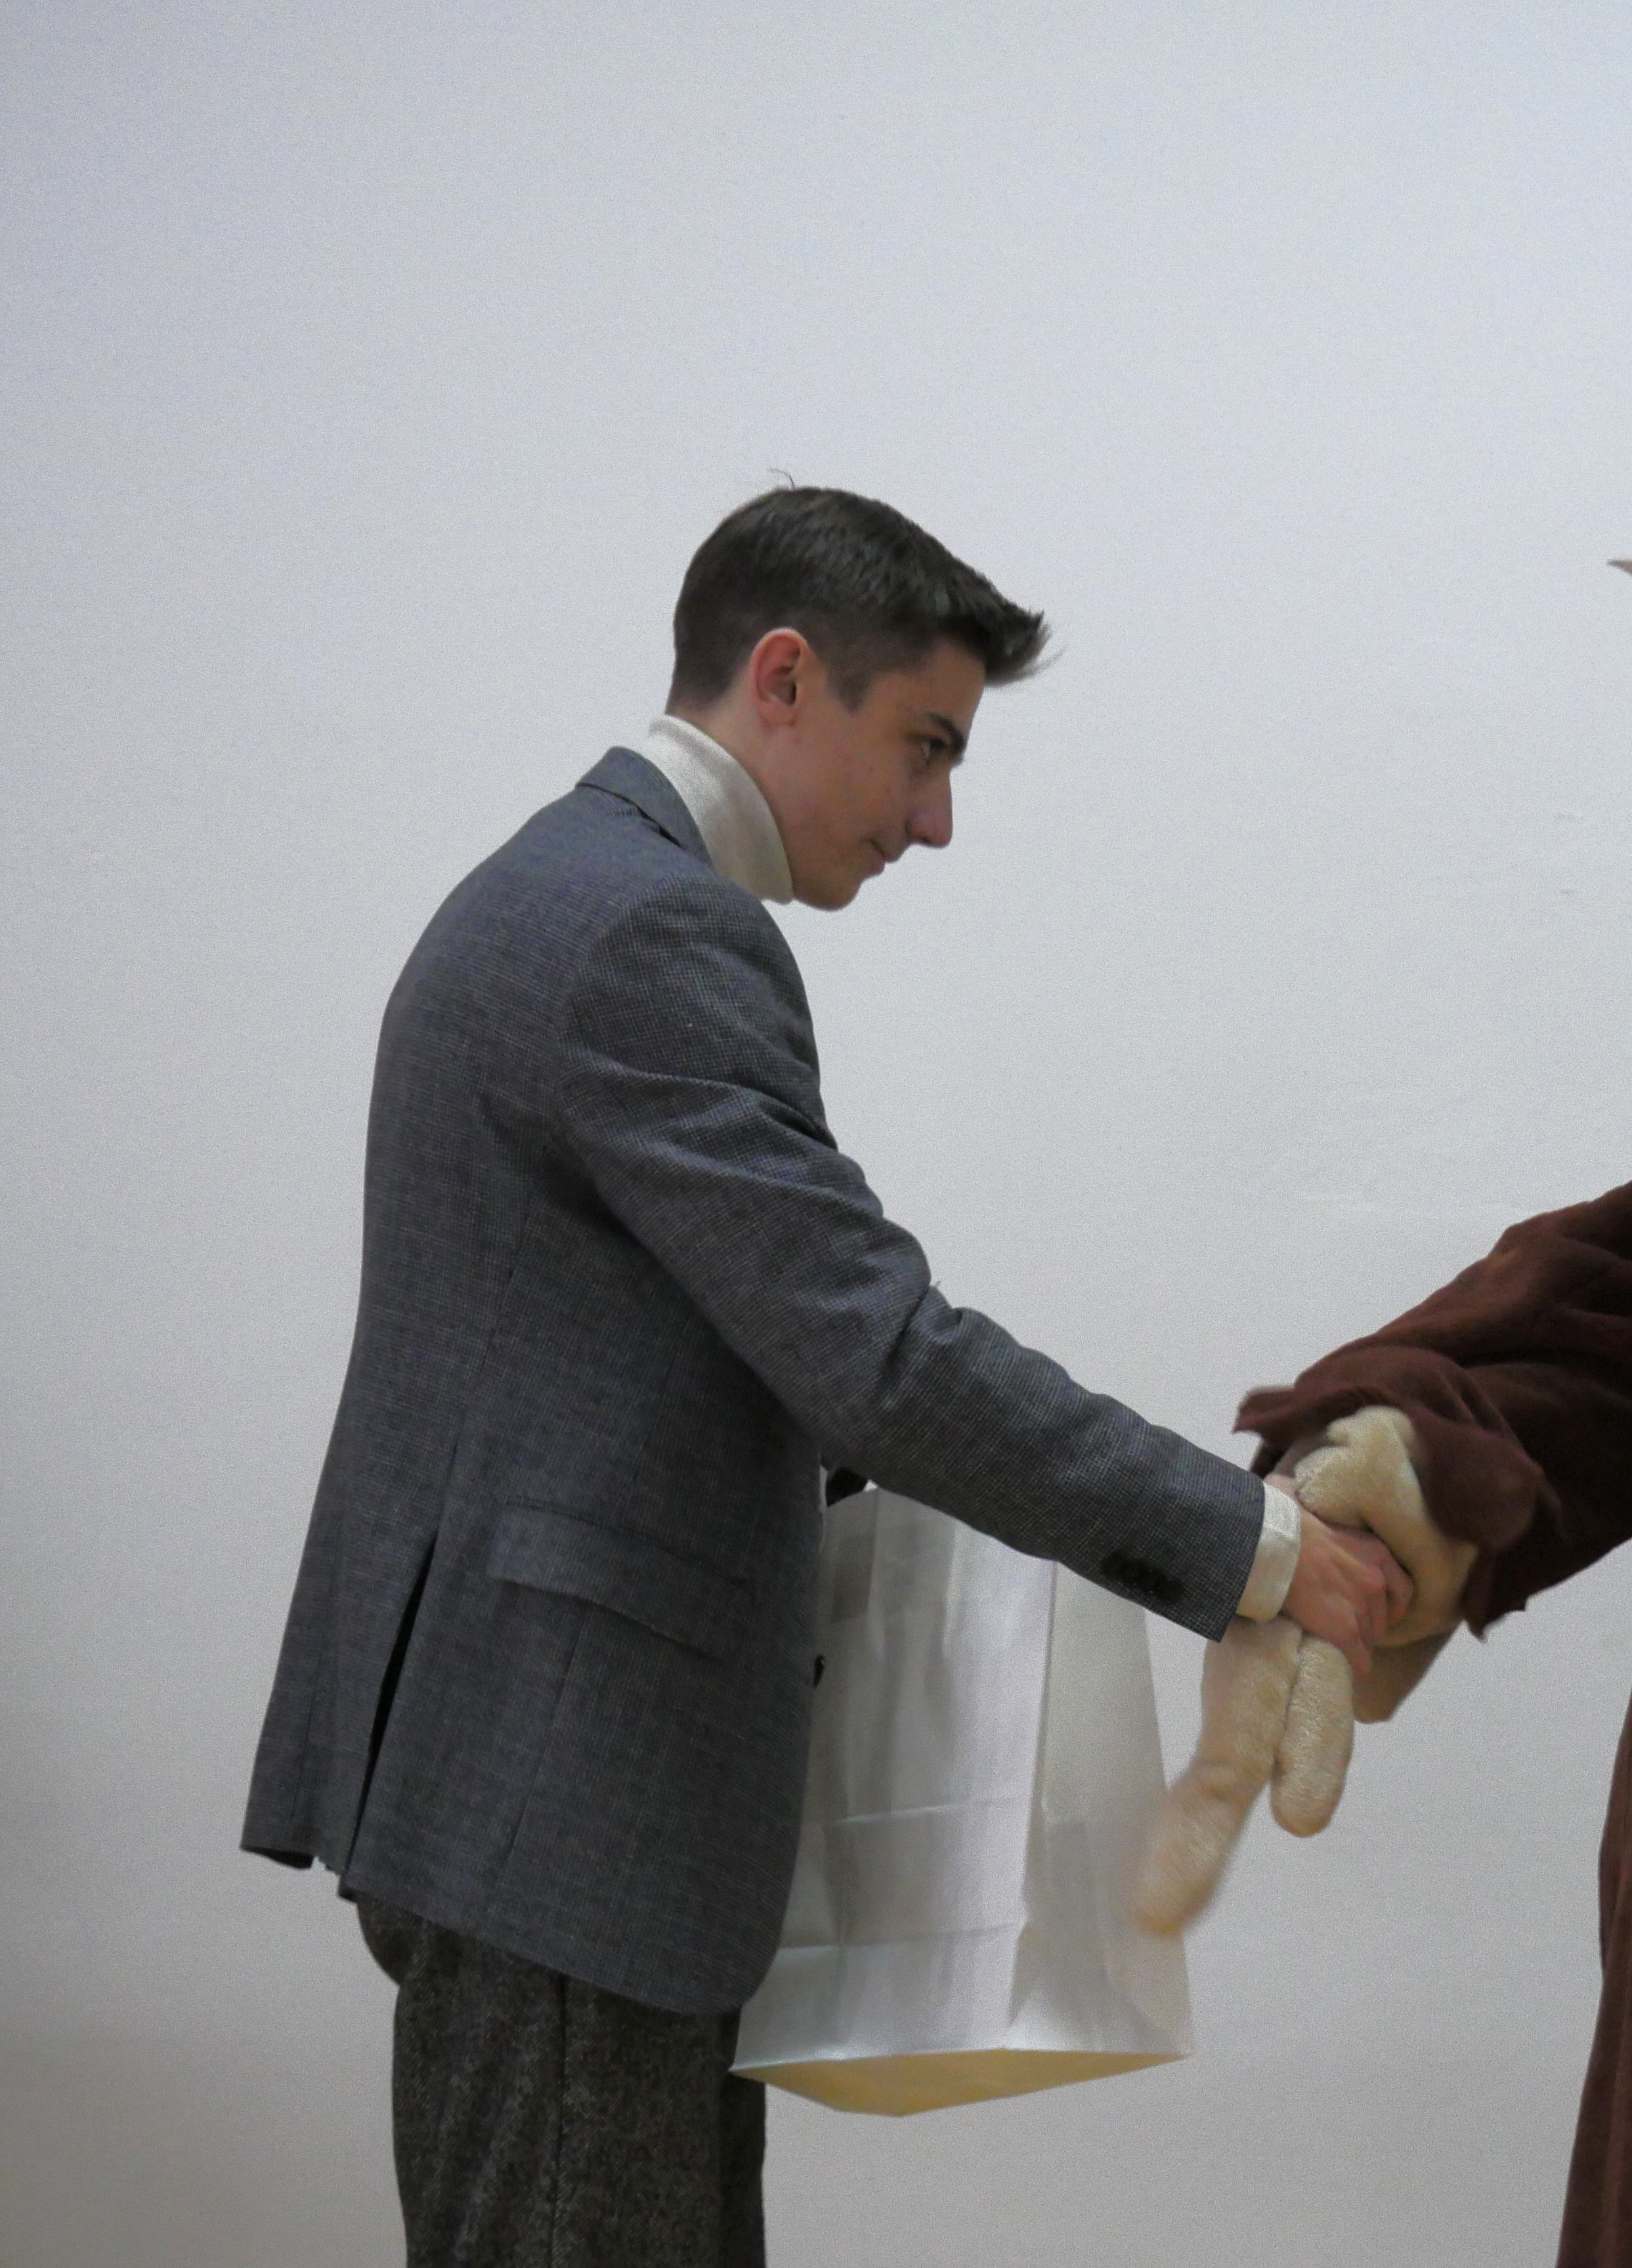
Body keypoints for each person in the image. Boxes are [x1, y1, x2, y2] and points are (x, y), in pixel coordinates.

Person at [241, 485, 1405, 2266]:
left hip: (540, 1802)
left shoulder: (566, 891)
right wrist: (1254, 1549)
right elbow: (874, 1356)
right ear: (783, 678)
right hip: (567, 1810)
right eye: (926, 747)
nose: (936, 820)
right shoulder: (646, 931)